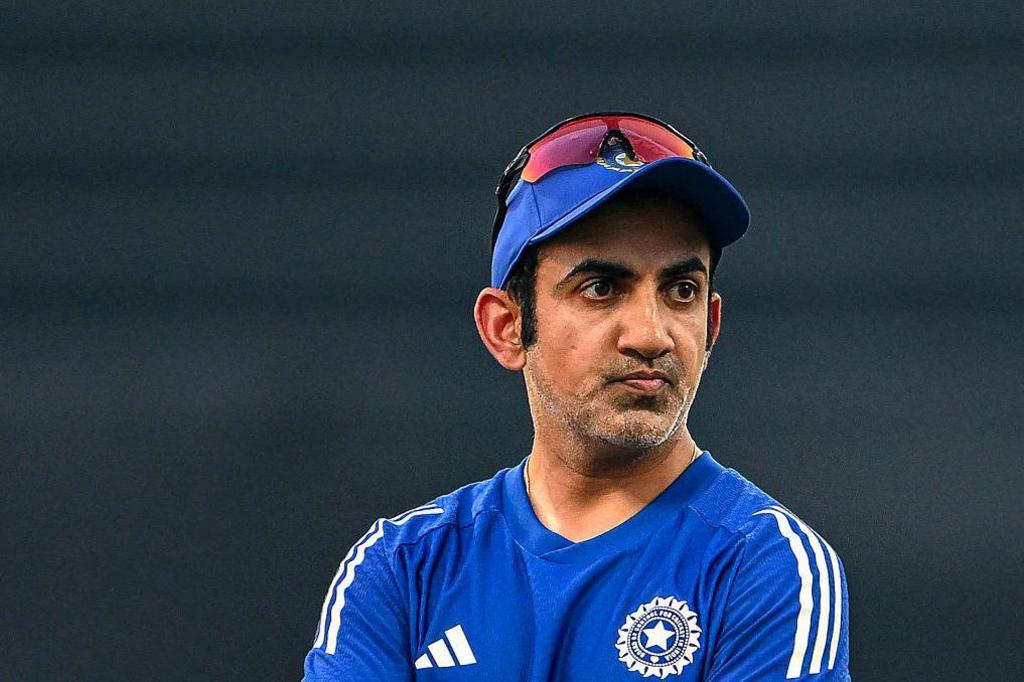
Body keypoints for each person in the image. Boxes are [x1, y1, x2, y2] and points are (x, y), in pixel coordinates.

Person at [302, 112, 851, 680]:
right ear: (507, 327)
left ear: (711, 326)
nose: (650, 335)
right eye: (601, 288)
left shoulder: (767, 567)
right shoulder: (404, 567)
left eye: (681, 290)